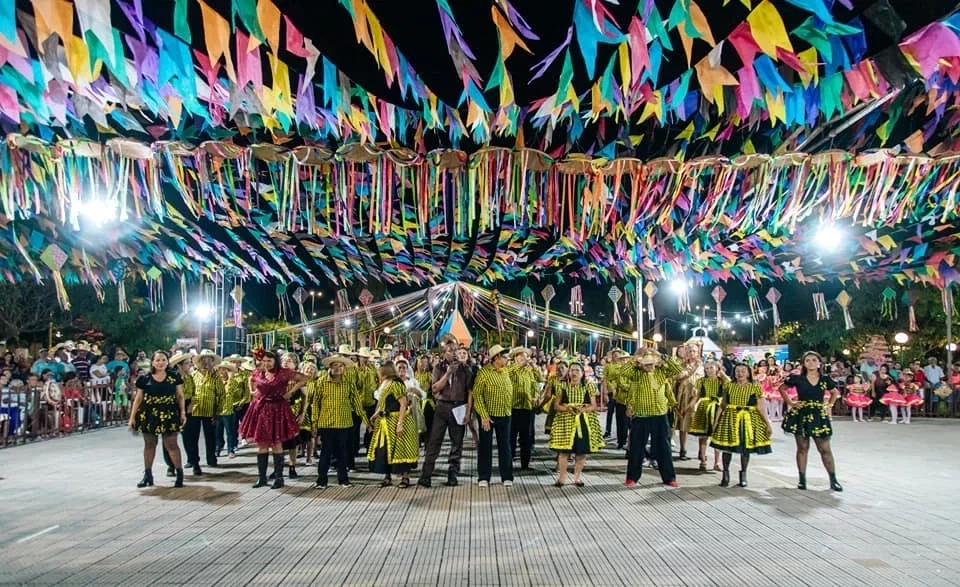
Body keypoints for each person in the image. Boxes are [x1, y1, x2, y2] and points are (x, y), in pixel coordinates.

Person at [620, 347, 693, 488]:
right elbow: (623, 372)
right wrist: (636, 357)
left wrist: (662, 357)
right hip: (641, 415)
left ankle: (669, 477)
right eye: (646, 363)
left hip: (660, 414)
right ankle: (632, 477)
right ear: (641, 364)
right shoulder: (636, 373)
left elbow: (677, 370)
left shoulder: (661, 372)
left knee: (664, 447)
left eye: (651, 363)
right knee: (636, 447)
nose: (649, 366)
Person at [241, 349, 310, 488]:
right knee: (262, 444)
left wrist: (290, 392)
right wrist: (252, 391)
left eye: (269, 361)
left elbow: (304, 378)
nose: (266, 363)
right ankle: (262, 478)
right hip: (260, 409)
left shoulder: (283, 372)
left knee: (277, 443)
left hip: (277, 409)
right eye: (264, 361)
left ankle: (279, 478)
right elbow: (251, 379)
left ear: (275, 361)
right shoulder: (259, 372)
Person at [779, 351, 843, 492]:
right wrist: (791, 402)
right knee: (802, 448)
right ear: (804, 363)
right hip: (801, 414)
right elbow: (782, 388)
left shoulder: (825, 379)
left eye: (814, 360)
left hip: (818, 415)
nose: (811, 363)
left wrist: (829, 405)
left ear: (819, 362)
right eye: (808, 360)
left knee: (824, 448)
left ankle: (833, 479)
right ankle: (802, 480)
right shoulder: (797, 378)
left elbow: (834, 392)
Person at [419, 340, 474, 488]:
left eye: (455, 350)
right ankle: (426, 475)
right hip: (442, 407)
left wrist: (468, 413)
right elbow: (435, 388)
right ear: (444, 353)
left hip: (458, 407)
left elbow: (470, 393)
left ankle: (453, 474)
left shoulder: (466, 369)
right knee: (434, 442)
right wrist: (449, 372)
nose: (453, 353)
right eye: (450, 350)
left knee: (457, 443)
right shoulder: (439, 367)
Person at [128, 351, 186, 488]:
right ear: (152, 362)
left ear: (167, 361)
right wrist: (132, 417)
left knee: (171, 444)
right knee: (149, 445)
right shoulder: (145, 379)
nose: (160, 363)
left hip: (169, 413)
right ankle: (147, 475)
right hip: (149, 414)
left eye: (163, 360)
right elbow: (138, 399)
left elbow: (180, 396)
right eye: (158, 360)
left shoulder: (174, 377)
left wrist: (182, 412)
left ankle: (179, 474)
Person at [709, 363, 772, 488]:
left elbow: (760, 407)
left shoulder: (755, 387)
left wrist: (767, 423)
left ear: (748, 373)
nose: (740, 373)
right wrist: (716, 421)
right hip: (730, 418)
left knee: (745, 448)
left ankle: (743, 474)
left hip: (748, 418)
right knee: (727, 447)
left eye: (743, 371)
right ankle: (725, 474)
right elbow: (723, 405)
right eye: (737, 371)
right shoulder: (729, 386)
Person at [312, 354, 367, 489]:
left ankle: (343, 479)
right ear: (330, 367)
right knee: (326, 452)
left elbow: (356, 403)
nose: (337, 368)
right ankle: (321, 480)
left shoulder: (348, 383)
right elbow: (315, 403)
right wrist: (314, 423)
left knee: (343, 452)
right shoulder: (321, 382)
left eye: (340, 366)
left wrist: (366, 420)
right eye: (335, 366)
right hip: (326, 422)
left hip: (344, 422)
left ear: (344, 368)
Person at [549, 362, 603, 487]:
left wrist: (582, 410)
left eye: (577, 370)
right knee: (564, 452)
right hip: (565, 422)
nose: (574, 373)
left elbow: (594, 406)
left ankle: (577, 478)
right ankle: (561, 478)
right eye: (572, 370)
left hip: (583, 422)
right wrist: (568, 408)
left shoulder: (588, 386)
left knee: (581, 452)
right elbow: (556, 406)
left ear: (582, 373)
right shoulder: (562, 386)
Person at [367, 362, 419, 487]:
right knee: (384, 450)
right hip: (385, 422)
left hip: (396, 420)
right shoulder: (385, 384)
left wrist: (400, 423)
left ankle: (405, 477)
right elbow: (385, 403)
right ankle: (387, 476)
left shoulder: (396, 384)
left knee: (401, 449)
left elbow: (403, 404)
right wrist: (376, 414)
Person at [472, 345, 514, 487]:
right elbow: (477, 395)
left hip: (505, 414)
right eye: (505, 357)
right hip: (488, 416)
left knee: (505, 446)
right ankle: (484, 477)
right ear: (496, 358)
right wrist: (483, 415)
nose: (507, 360)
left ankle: (507, 476)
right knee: (485, 446)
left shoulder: (507, 371)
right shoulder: (484, 373)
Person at [184, 350, 225, 475]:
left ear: (212, 362)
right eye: (203, 359)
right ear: (199, 362)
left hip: (210, 411)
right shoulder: (193, 375)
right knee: (192, 437)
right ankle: (192, 459)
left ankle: (211, 458)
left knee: (211, 436)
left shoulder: (216, 376)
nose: (206, 362)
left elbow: (221, 395)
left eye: (209, 359)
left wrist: (218, 412)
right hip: (194, 411)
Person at [507, 347, 539, 471]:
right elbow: (508, 374)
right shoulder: (510, 369)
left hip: (527, 408)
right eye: (519, 356)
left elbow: (537, 382)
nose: (523, 359)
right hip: (513, 408)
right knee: (511, 437)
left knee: (526, 438)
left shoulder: (529, 371)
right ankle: (508, 462)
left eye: (525, 356)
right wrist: (518, 365)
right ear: (515, 358)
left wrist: (536, 395)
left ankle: (525, 464)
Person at [689, 361, 725, 471]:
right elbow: (697, 395)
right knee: (703, 436)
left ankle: (717, 462)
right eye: (707, 368)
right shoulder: (702, 381)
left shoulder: (721, 381)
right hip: (704, 407)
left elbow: (728, 388)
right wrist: (690, 406)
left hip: (717, 407)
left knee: (717, 435)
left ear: (717, 368)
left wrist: (723, 375)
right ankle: (703, 460)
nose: (709, 370)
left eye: (711, 368)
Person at [672, 344, 702, 461]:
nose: (691, 353)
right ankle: (683, 449)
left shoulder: (703, 366)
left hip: (698, 396)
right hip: (684, 395)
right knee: (684, 423)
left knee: (700, 424)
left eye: (694, 351)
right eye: (689, 351)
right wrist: (691, 370)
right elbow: (678, 377)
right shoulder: (681, 365)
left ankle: (701, 451)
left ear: (698, 352)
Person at [602, 349, 627, 448]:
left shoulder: (623, 367)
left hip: (622, 394)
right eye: (614, 355)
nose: (616, 357)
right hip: (611, 392)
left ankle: (622, 440)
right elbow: (604, 379)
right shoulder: (608, 366)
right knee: (611, 413)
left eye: (618, 355)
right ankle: (608, 431)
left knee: (622, 417)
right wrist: (605, 393)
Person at [214, 361, 239, 459]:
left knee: (230, 432)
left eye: (225, 369)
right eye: (220, 369)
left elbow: (229, 392)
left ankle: (231, 449)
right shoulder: (216, 381)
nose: (222, 371)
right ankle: (218, 448)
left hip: (228, 410)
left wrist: (230, 377)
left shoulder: (233, 382)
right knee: (217, 432)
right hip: (218, 411)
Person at [414, 355, 435, 445]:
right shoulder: (413, 374)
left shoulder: (430, 374)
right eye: (421, 362)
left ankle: (428, 444)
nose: (423, 364)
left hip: (427, 403)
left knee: (428, 424)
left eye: (426, 362)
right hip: (415, 403)